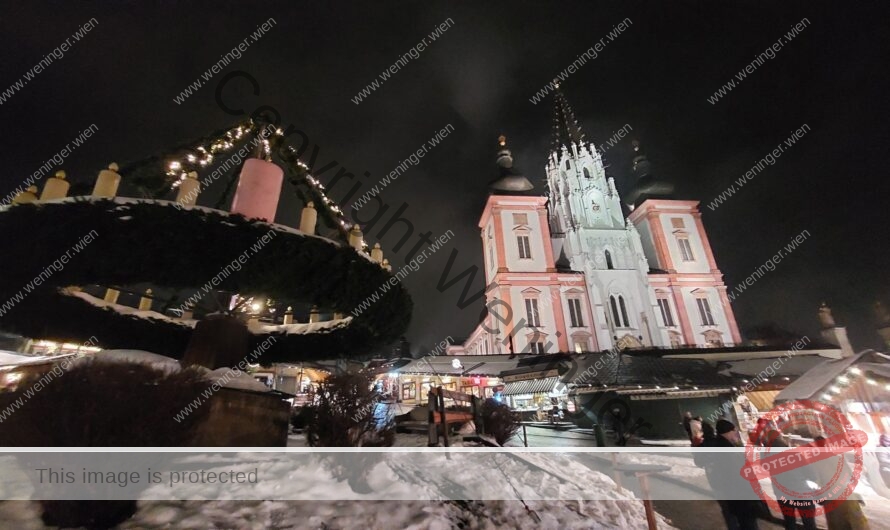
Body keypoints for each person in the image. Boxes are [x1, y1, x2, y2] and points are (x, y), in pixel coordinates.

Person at [813, 435, 870, 530]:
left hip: (832, 499)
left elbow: (816, 483)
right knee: (856, 524)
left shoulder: (816, 463)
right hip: (847, 496)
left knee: (838, 524)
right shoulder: (839, 458)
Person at [768, 435, 816, 530]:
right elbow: (811, 474)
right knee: (809, 522)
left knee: (789, 522)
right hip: (801, 492)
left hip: (782, 494)